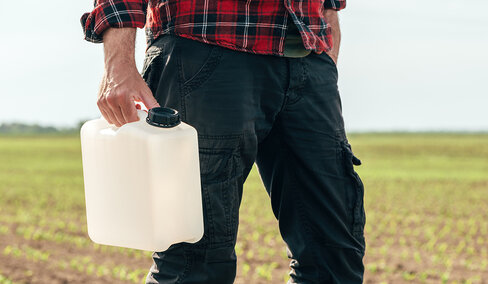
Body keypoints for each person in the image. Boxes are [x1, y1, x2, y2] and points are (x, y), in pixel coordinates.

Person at [81, 0, 366, 283]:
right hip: (204, 48)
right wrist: (118, 61)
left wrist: (328, 37)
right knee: (196, 263)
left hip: (308, 58)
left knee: (334, 260)